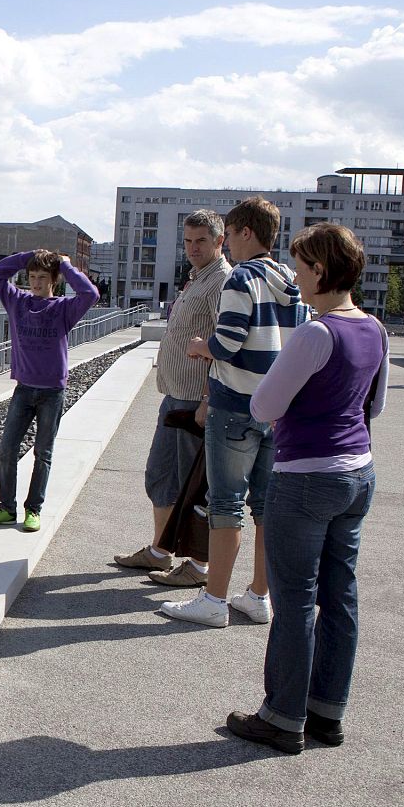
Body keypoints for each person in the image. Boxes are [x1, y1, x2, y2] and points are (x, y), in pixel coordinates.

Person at [225, 223, 387, 753]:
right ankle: (326, 711)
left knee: (295, 599)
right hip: (357, 472)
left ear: (320, 270)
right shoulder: (374, 329)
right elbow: (375, 406)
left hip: (305, 476)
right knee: (341, 595)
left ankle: (282, 716)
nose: (295, 276)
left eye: (300, 267)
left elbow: (264, 406)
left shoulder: (318, 332)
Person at [168, 196, 304, 628]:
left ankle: (214, 600)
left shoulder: (242, 278)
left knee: (225, 503)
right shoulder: (289, 280)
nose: (229, 245)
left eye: (231, 235)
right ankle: (258, 596)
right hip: (274, 408)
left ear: (245, 233)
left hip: (235, 404)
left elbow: (227, 342)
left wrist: (197, 347)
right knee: (265, 506)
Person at [115, 210, 231, 585]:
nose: (193, 248)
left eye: (201, 241)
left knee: (192, 486)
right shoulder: (197, 278)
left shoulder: (221, 282)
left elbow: (225, 346)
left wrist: (208, 398)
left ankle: (199, 567)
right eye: (187, 241)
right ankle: (160, 551)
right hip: (175, 395)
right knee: (160, 476)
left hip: (195, 399)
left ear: (219, 241)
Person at [0, 249, 100, 532]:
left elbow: (90, 294)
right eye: (32, 277)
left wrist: (65, 266)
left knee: (43, 452)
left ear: (54, 280)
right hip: (24, 389)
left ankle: (34, 509)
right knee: (7, 449)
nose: (36, 283)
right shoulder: (17, 302)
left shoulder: (64, 309)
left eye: (42, 277)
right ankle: (6, 508)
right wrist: (29, 255)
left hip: (52, 392)